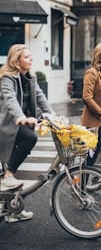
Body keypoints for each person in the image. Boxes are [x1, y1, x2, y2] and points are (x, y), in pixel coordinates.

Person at [0, 44, 54, 222]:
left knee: (16, 172)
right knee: (30, 138)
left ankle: (12, 210)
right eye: (27, 57)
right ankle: (7, 176)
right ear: (17, 60)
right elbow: (10, 100)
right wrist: (21, 117)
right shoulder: (8, 78)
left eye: (31, 56)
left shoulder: (31, 77)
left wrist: (53, 116)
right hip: (8, 125)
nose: (31, 59)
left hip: (20, 124)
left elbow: (40, 97)